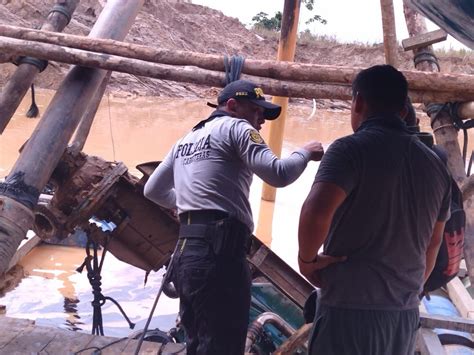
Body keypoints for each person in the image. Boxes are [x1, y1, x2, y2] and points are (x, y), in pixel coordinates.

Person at [144, 79, 324, 355]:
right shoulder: (237, 128)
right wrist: (305, 152)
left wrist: (185, 207)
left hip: (186, 254)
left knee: (197, 342)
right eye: (256, 111)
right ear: (232, 105)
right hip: (221, 255)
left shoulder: (186, 139)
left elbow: (152, 190)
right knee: (224, 346)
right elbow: (279, 173)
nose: (261, 119)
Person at [298, 65, 451, 355]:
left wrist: (307, 261)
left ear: (358, 102)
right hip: (403, 317)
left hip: (348, 311)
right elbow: (433, 243)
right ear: (403, 111)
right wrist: (410, 288)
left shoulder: (349, 150)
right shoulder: (435, 166)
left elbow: (315, 212)